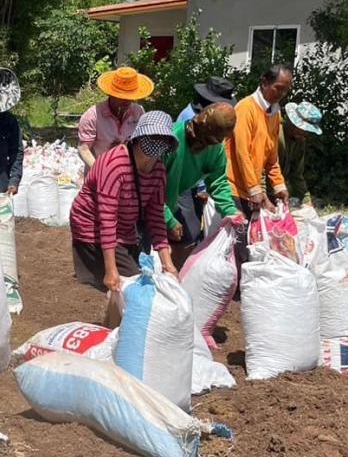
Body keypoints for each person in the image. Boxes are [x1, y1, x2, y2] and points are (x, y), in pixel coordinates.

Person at [69, 111, 178, 325]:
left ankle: (113, 329)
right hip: (93, 225)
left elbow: (156, 216)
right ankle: (114, 332)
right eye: (152, 138)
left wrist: (168, 263)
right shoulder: (115, 164)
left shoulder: (158, 171)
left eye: (162, 140)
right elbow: (106, 218)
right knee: (128, 283)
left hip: (125, 227)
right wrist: (111, 270)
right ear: (139, 138)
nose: (156, 145)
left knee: (129, 283)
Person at [163, 103, 240, 264]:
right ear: (202, 129)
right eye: (212, 139)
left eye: (220, 140)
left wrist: (230, 210)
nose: (215, 143)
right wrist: (168, 220)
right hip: (145, 203)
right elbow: (148, 188)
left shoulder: (215, 148)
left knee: (185, 244)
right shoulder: (171, 139)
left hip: (170, 201)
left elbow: (218, 181)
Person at [225, 63, 293, 217]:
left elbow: (272, 155)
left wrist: (278, 185)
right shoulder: (245, 108)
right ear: (264, 83)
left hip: (250, 189)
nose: (281, 94)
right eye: (278, 88)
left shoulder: (275, 114)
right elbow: (242, 153)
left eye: (285, 90)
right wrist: (254, 188)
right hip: (233, 188)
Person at [77, 66, 150, 170]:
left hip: (128, 174)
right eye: (122, 97)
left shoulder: (138, 112)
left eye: (130, 97)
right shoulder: (93, 116)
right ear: (111, 94)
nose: (127, 101)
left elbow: (141, 142)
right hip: (99, 172)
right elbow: (84, 149)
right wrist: (99, 172)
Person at [279, 101, 323, 207]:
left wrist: (306, 198)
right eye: (304, 130)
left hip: (278, 189)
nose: (306, 134)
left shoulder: (300, 141)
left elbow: (296, 174)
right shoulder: (276, 134)